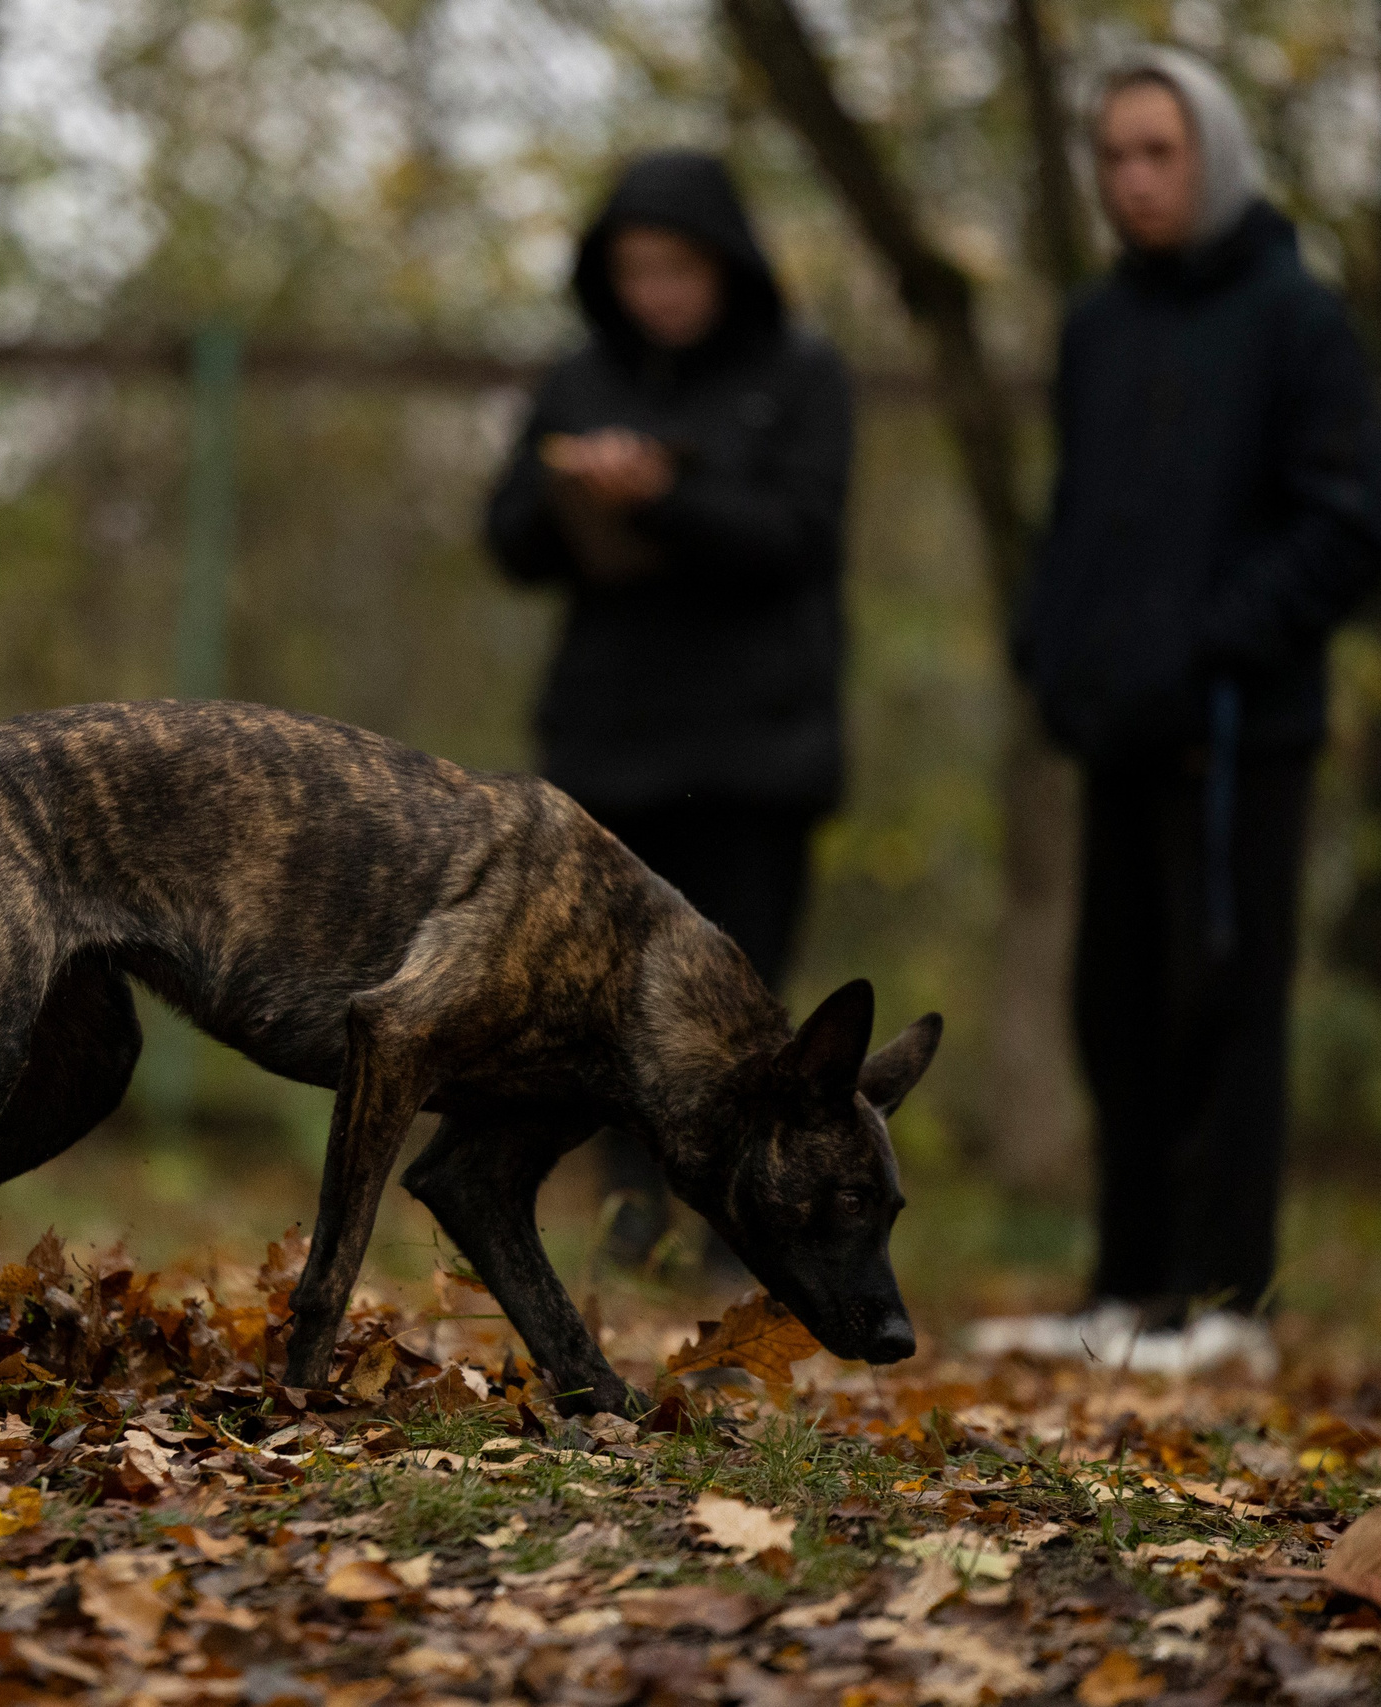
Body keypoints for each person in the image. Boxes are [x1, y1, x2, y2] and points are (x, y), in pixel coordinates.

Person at [981, 48, 1381, 1373]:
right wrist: (1049, 647)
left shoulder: (1296, 319)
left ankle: (1229, 1307)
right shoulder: (1099, 324)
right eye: (1114, 156)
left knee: (1224, 1001)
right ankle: (1129, 1289)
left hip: (1238, 736)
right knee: (1116, 1004)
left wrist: (1212, 642)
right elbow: (1079, 519)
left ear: (1211, 155)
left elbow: (1354, 523)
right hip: (1117, 730)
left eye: (1159, 152)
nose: (1133, 180)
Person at [484, 150, 853, 1276]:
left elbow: (799, 538)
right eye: (637, 268)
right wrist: (574, 493)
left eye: (679, 266)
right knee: (603, 1012)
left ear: (728, 265)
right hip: (610, 748)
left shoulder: (800, 375)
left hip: (754, 749)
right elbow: (506, 538)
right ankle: (627, 1218)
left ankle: (745, 1225)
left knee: (746, 1013)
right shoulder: (580, 378)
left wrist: (670, 498)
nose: (659, 290)